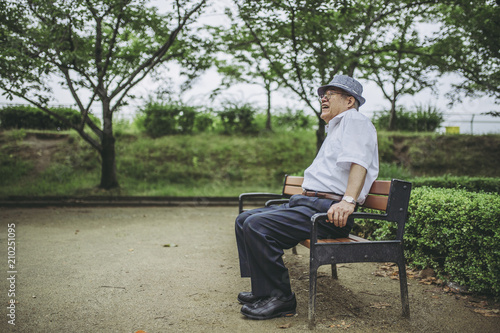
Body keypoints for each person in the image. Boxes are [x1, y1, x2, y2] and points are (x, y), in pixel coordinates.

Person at [234, 75, 379, 320]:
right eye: (323, 94)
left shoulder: (354, 119)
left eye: (331, 94)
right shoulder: (336, 127)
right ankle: (263, 290)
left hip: (328, 211)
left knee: (257, 226)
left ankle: (281, 298)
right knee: (244, 219)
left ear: (349, 101)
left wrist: (348, 201)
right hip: (309, 204)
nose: (323, 97)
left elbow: (360, 163)